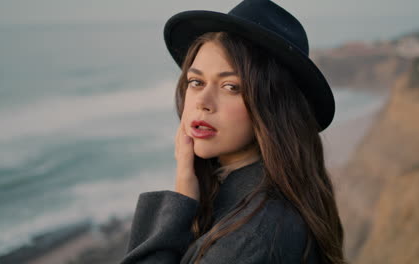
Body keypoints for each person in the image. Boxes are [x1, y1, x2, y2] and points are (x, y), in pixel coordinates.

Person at [120, 0, 346, 263]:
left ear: (272, 107)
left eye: (230, 87)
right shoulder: (245, 199)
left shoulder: (257, 234)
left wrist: (179, 204)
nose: (202, 101)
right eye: (196, 82)